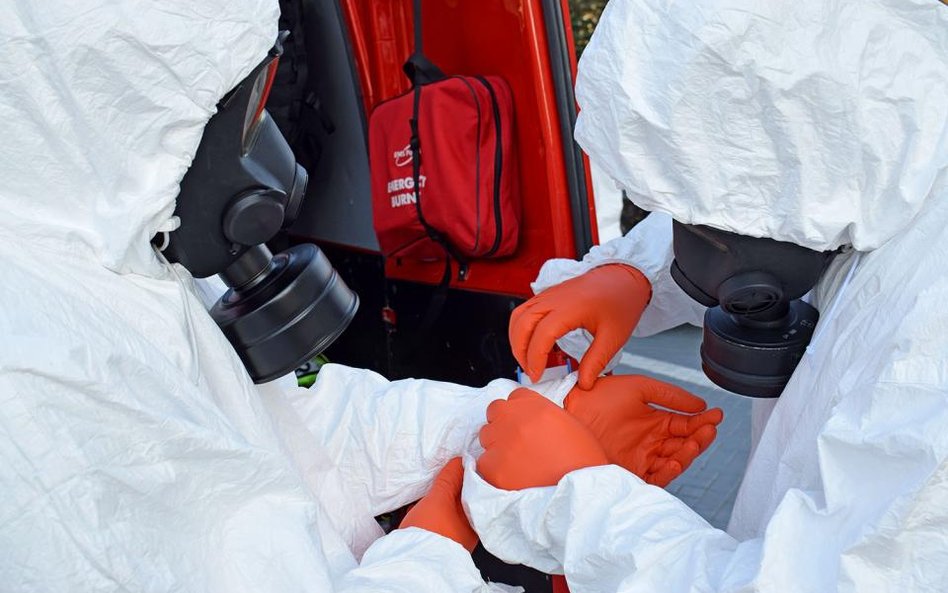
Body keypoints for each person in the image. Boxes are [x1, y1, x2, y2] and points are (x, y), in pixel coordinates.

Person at [0, 1, 721, 591]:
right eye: (244, 113)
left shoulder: (133, 248)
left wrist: (525, 416)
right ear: (120, 102)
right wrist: (435, 544)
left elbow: (311, 421)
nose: (269, 151)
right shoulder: (37, 381)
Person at [463, 0, 948, 591]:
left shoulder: (931, 336)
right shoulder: (879, 151)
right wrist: (635, 275)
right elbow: (764, 208)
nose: (686, 230)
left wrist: (581, 503)